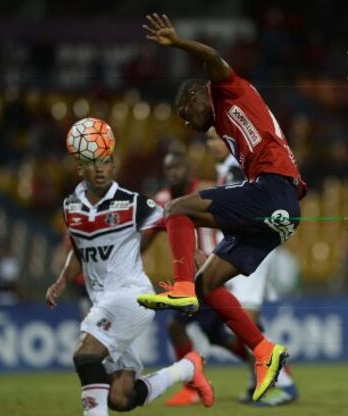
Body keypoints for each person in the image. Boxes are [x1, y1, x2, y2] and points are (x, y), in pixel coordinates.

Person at [137, 13, 307, 402]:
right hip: (281, 210)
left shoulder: (226, 90)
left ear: (198, 97)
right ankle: (266, 352)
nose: (186, 122)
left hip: (272, 190)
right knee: (207, 284)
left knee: (176, 208)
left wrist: (178, 43)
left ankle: (180, 287)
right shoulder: (228, 129)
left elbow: (212, 54)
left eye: (185, 113)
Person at [45, 126, 214, 416]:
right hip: (104, 300)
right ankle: (187, 368)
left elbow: (172, 218)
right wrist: (62, 279)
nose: (100, 169)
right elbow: (78, 243)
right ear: (79, 168)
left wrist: (194, 251)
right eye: (92, 162)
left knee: (85, 355)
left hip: (129, 296)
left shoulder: (132, 203)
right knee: (120, 398)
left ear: (114, 165)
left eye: (106, 161)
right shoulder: (70, 206)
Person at [144, 149, 297, 406]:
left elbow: (232, 218)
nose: (174, 173)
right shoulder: (163, 198)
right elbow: (147, 235)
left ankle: (199, 385)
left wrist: (215, 258)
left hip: (217, 266)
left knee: (179, 325)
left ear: (189, 169)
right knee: (218, 335)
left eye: (178, 167)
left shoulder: (207, 189)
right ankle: (271, 363)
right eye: (169, 169)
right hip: (203, 272)